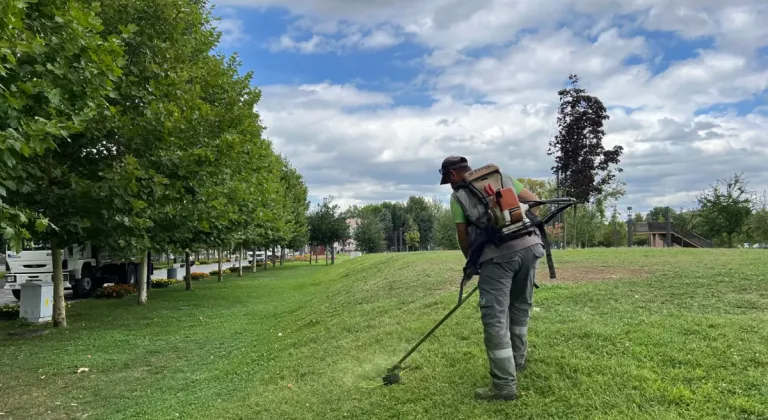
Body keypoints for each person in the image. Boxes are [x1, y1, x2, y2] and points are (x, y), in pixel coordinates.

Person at [439, 155, 546, 402]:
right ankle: (517, 362)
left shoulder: (458, 196)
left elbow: (462, 236)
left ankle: (504, 386)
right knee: (520, 307)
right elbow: (533, 201)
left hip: (498, 257)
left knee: (495, 318)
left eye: (448, 180)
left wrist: (473, 262)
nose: (450, 185)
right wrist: (519, 224)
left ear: (453, 174)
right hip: (531, 248)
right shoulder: (502, 177)